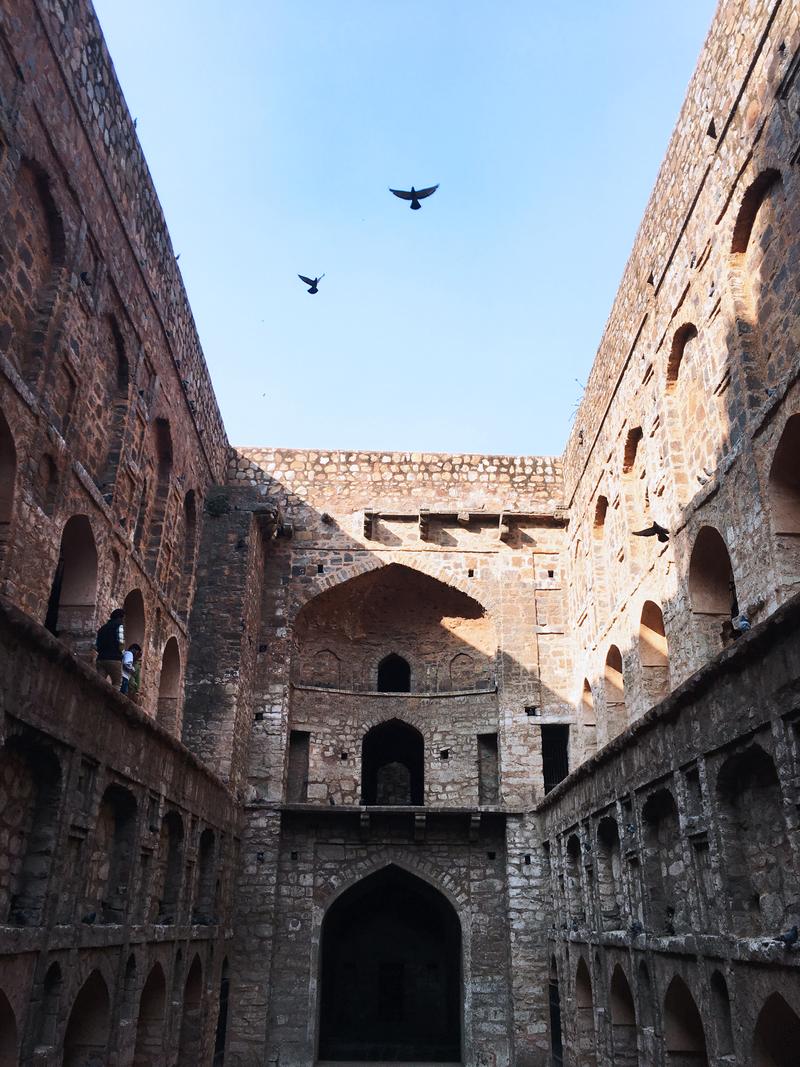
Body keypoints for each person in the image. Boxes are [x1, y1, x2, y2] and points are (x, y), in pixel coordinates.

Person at [95, 608, 125, 687]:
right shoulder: (119, 626)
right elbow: (121, 642)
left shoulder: (102, 628)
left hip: (101, 658)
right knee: (117, 683)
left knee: (99, 683)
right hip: (114, 659)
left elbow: (97, 643)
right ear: (120, 617)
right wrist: (122, 654)